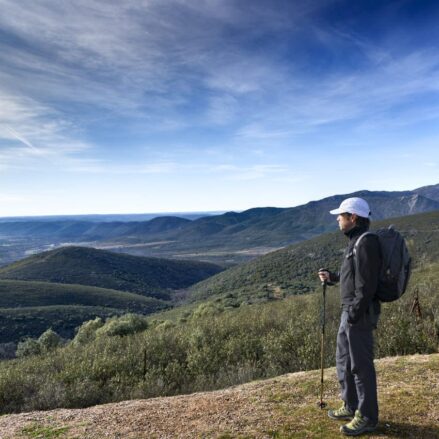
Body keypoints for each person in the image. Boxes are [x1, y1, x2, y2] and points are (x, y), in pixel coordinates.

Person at [318, 197, 381, 436]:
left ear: (353, 217)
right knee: (344, 362)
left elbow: (367, 286)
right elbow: (354, 278)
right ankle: (351, 405)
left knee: (361, 366)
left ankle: (367, 417)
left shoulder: (365, 243)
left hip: (358, 314)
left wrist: (354, 315)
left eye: (341, 215)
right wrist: (333, 277)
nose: (338, 219)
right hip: (351, 313)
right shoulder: (355, 242)